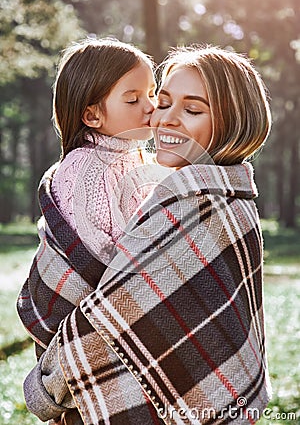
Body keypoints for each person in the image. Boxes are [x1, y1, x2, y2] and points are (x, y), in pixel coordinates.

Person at [21, 45, 272, 425]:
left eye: (191, 109)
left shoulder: (205, 206)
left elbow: (108, 317)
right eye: (164, 101)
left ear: (233, 122)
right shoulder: (177, 190)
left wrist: (45, 389)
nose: (163, 118)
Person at [17, 36, 170, 421]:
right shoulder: (85, 168)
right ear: (92, 116)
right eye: (133, 99)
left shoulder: (137, 158)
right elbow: (100, 254)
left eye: (151, 94)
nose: (151, 108)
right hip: (87, 315)